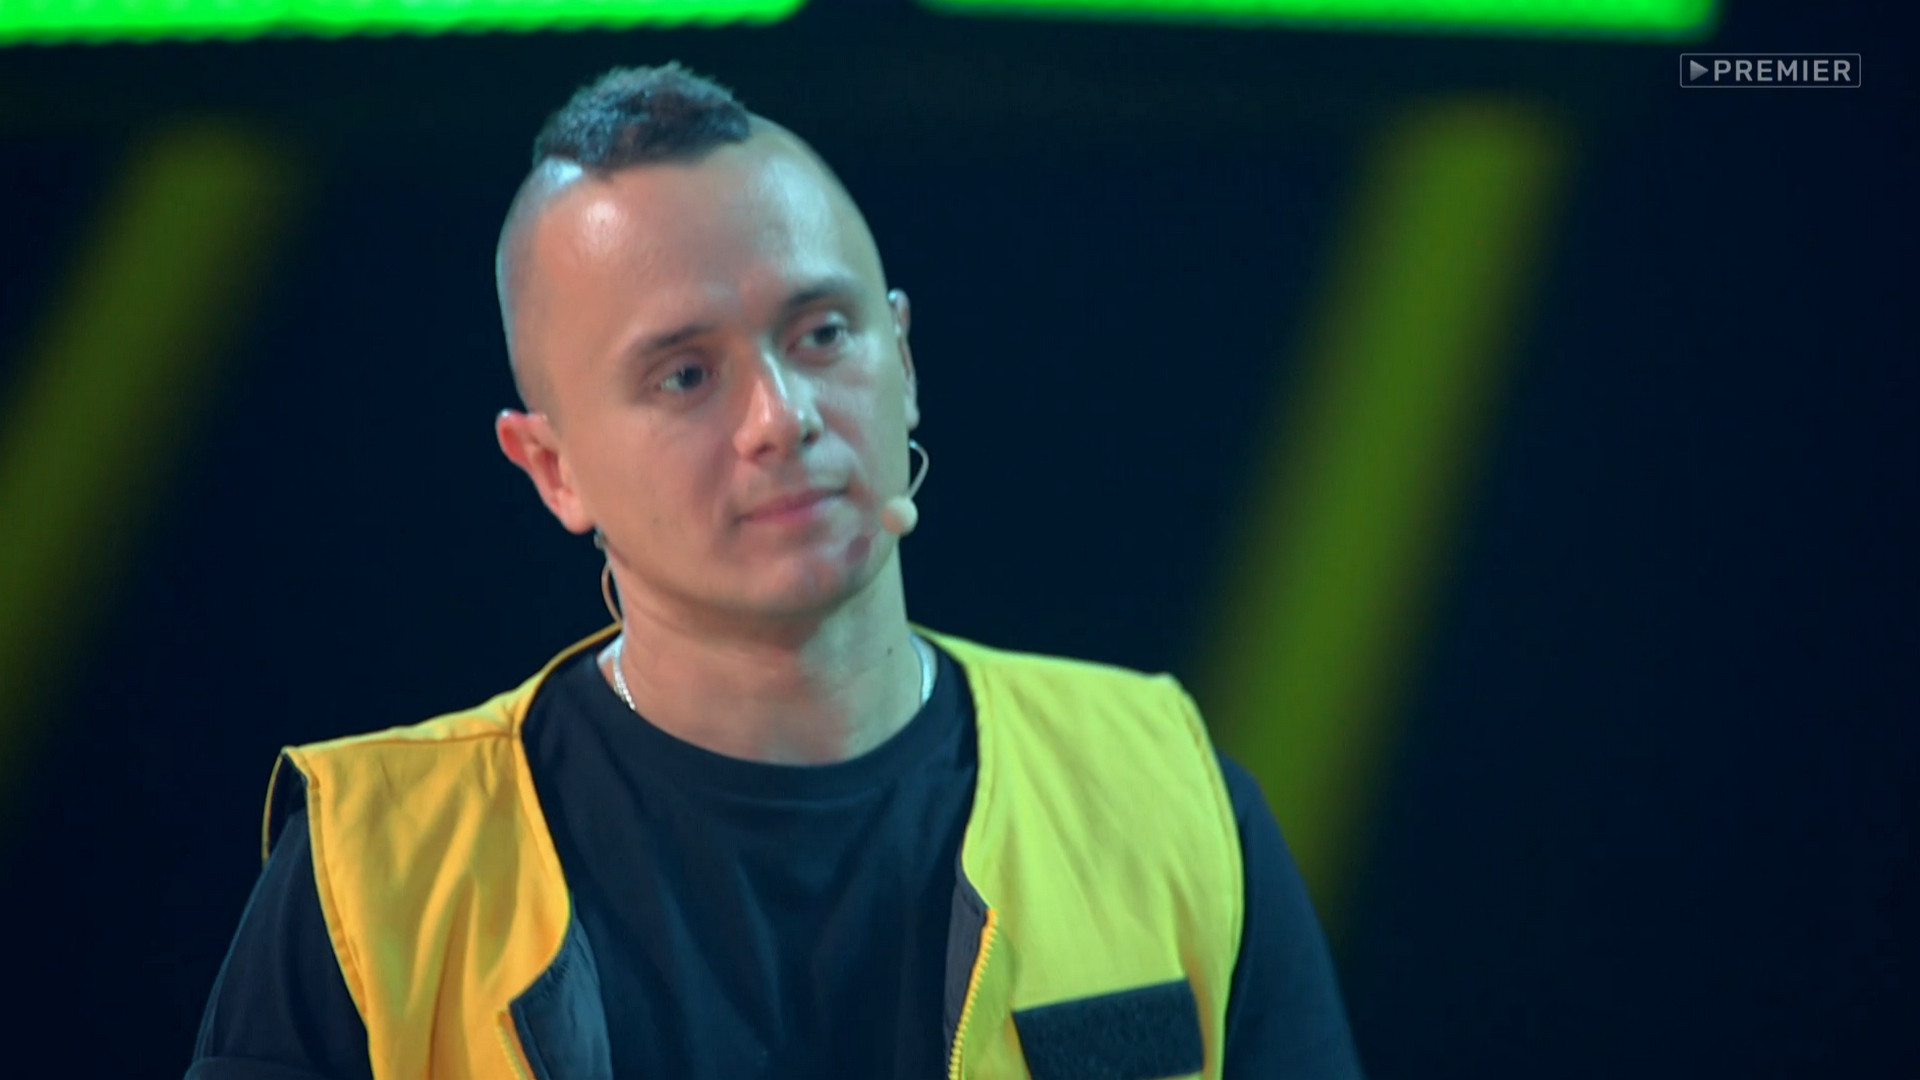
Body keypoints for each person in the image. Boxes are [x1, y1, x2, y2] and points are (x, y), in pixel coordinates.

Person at [186, 63, 1364, 1080]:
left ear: (904, 359)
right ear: (552, 468)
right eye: (685, 376)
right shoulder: (375, 873)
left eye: (822, 334)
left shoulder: (1166, 798)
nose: (781, 417)